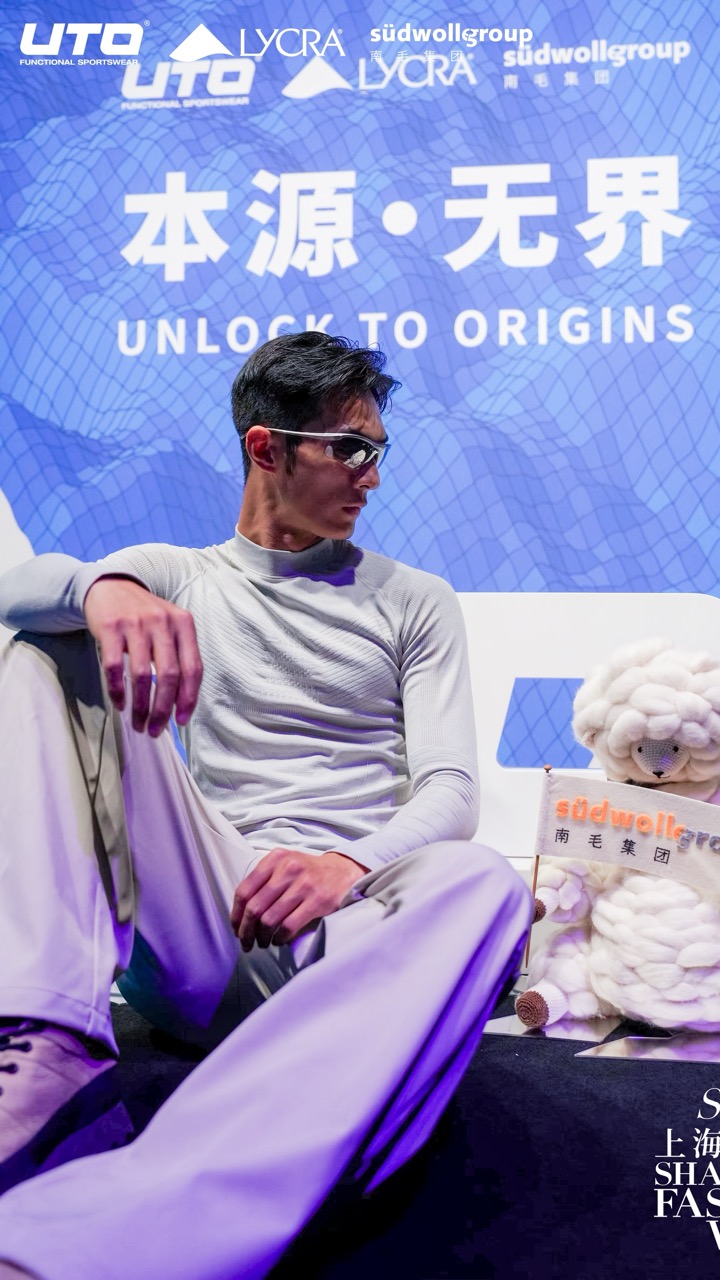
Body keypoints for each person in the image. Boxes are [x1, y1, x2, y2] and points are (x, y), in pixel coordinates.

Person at [0, 332, 531, 1280]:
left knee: (483, 878)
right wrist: (102, 589)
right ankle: (45, 1032)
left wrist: (347, 865)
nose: (371, 476)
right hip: (218, 918)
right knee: (51, 651)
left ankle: (120, 1228)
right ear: (266, 448)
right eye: (349, 449)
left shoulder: (415, 601)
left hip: (356, 924)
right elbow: (17, 593)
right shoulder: (179, 573)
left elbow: (450, 791)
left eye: (378, 451)